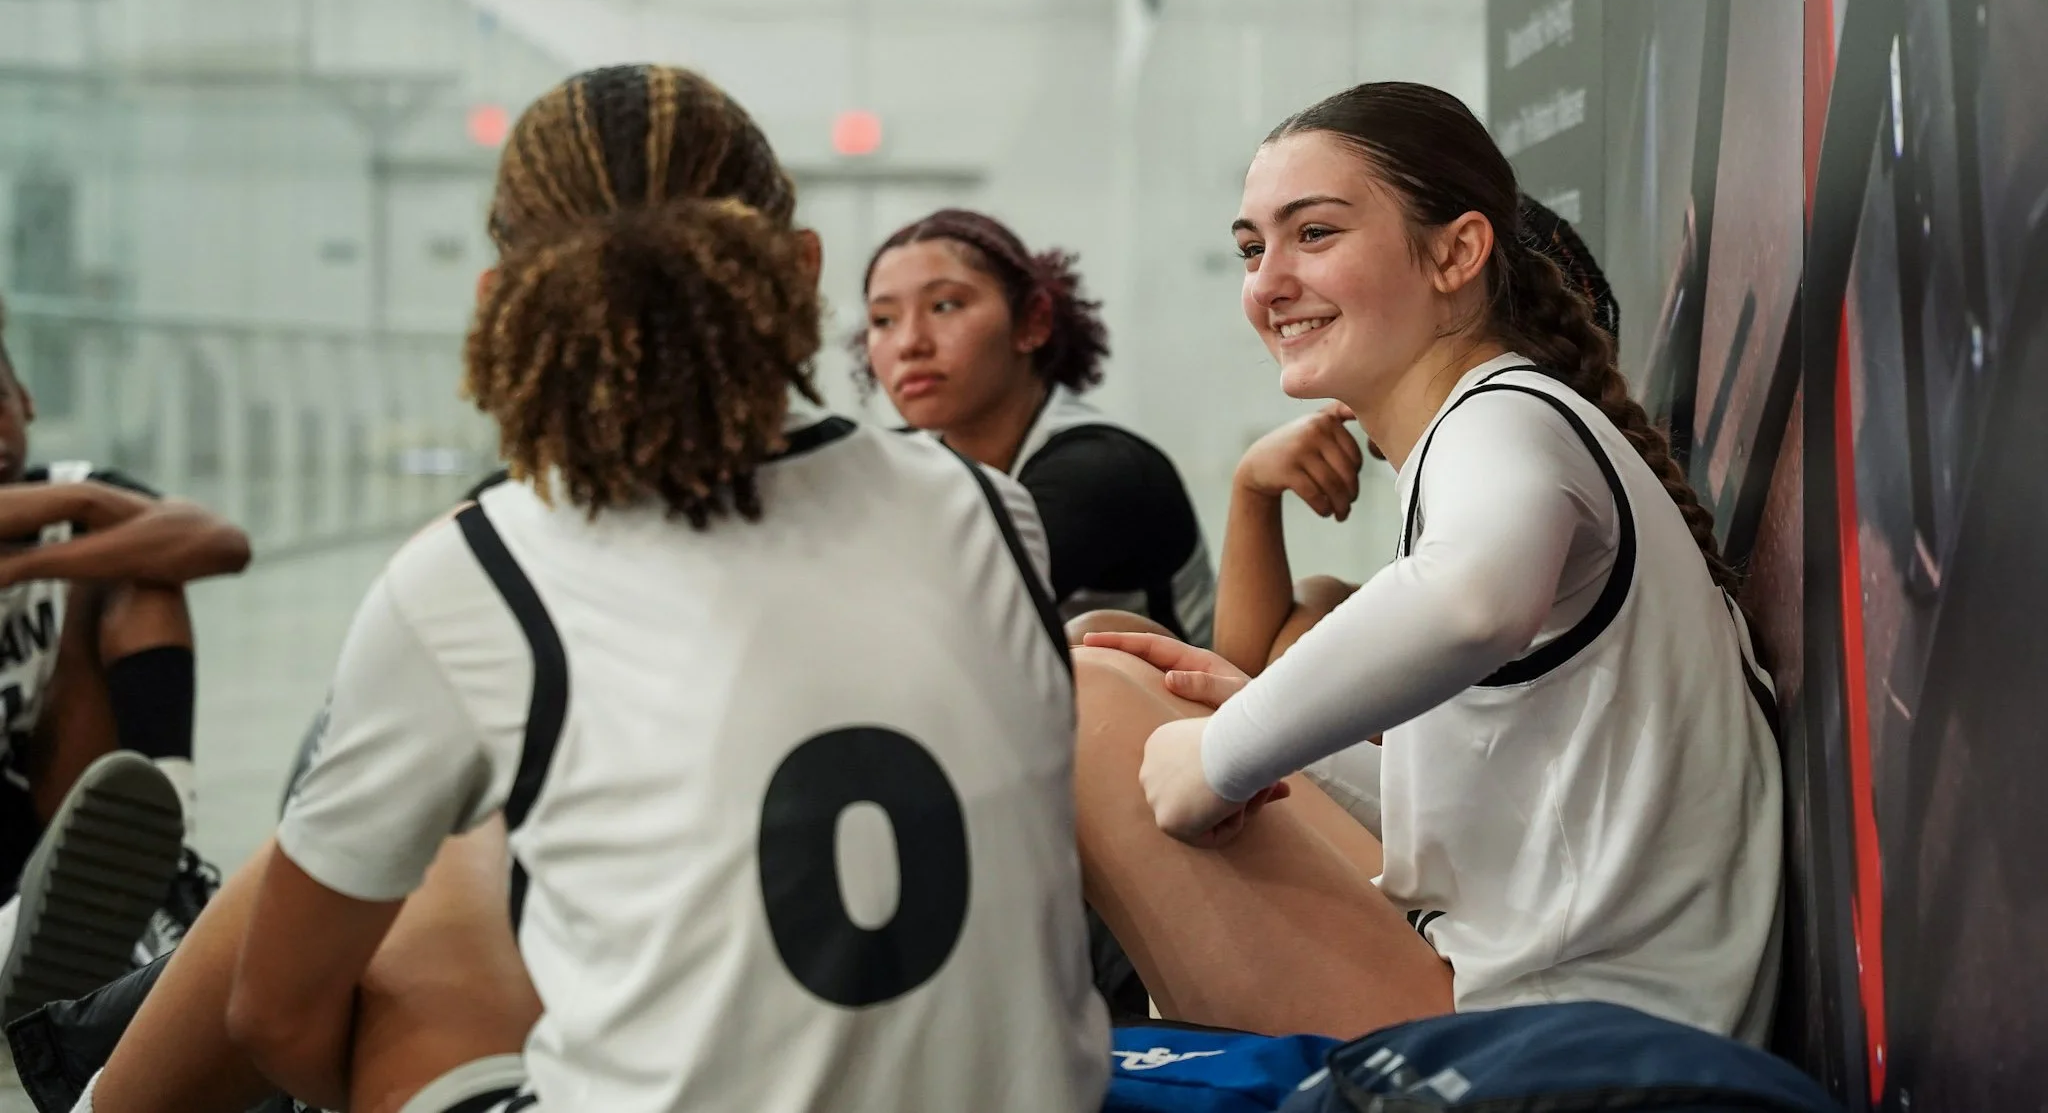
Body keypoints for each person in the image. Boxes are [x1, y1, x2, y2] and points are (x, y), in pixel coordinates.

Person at [56, 63, 1107, 1113]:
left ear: (496, 305)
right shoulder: (987, 508)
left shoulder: (478, 568)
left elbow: (273, 1020)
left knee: (425, 861)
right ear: (800, 269)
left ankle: (101, 1094)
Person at [1072, 81, 1783, 1043]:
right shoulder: (1496, 423)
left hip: (1554, 1039)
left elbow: (1470, 600)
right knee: (1123, 659)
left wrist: (1226, 750)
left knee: (1092, 697)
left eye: (1312, 234)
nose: (1267, 280)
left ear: (1456, 252)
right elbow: (1486, 818)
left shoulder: (1503, 415)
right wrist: (1244, 712)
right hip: (1536, 999)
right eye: (1252, 248)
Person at [0, 303, 247, 982]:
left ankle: (159, 869)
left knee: (145, 577)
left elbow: (221, 543)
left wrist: (50, 533)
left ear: (25, 401)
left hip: (54, 809)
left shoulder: (71, 487)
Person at [860, 209, 1215, 645]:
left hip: (1174, 711)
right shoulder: (896, 456)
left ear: (1033, 322)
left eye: (944, 306)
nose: (910, 343)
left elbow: (944, 621)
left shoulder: (1101, 468)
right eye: (883, 320)